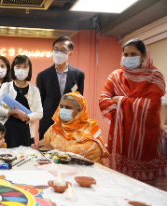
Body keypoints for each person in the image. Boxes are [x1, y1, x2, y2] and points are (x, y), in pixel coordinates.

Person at [99, 39, 167, 190]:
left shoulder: (155, 77)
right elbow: (104, 100)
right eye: (126, 54)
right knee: (121, 186)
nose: (129, 57)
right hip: (122, 137)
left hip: (147, 137)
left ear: (143, 56)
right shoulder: (116, 77)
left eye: (133, 54)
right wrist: (134, 102)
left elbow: (154, 106)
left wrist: (121, 101)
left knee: (147, 191)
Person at [34, 92, 109, 164]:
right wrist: (39, 146)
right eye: (61, 106)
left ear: (79, 110)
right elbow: (46, 146)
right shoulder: (55, 128)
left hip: (86, 170)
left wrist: (56, 150)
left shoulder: (90, 127)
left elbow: (92, 149)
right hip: (59, 168)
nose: (63, 110)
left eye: (68, 107)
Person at [37, 36, 85, 140]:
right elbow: (40, 101)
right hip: (48, 123)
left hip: (70, 123)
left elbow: (79, 100)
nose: (59, 52)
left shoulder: (78, 75)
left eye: (63, 50)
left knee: (67, 155)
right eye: (56, 49)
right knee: (45, 154)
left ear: (70, 53)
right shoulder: (43, 76)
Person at [0, 55, 43, 148]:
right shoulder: (6, 86)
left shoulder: (34, 89)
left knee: (25, 158)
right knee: (7, 157)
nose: (22, 69)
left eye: (25, 67)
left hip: (26, 131)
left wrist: (26, 116)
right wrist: (13, 111)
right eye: (18, 66)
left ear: (29, 69)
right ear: (13, 69)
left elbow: (39, 113)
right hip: (7, 129)